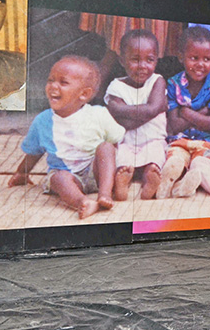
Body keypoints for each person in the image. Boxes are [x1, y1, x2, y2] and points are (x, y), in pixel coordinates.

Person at [8, 56, 124, 219]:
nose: (53, 86)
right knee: (58, 178)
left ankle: (105, 194)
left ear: (83, 94)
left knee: (106, 147)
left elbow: (116, 144)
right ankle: (82, 202)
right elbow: (34, 153)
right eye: (51, 80)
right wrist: (22, 173)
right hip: (67, 176)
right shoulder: (42, 121)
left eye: (63, 82)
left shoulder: (99, 114)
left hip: (92, 172)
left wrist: (112, 170)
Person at [157, 27, 210, 198]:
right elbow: (174, 124)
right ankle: (169, 181)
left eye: (207, 59)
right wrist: (203, 113)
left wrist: (186, 112)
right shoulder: (173, 83)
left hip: (206, 143)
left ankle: (183, 186)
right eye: (194, 58)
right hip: (179, 141)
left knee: (200, 165)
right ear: (181, 57)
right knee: (175, 161)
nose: (200, 64)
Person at [105, 30, 167, 200]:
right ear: (122, 60)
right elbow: (125, 123)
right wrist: (154, 108)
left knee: (156, 157)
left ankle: (150, 179)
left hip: (153, 140)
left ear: (156, 61)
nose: (143, 66)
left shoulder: (157, 81)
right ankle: (122, 181)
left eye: (150, 60)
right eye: (135, 59)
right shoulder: (116, 86)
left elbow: (149, 111)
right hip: (126, 142)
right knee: (120, 158)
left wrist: (118, 109)